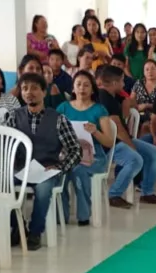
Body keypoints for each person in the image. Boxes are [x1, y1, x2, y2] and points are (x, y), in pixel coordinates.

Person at [2, 73, 80, 250]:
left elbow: (76, 150)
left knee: (43, 190)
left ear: (44, 92)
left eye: (35, 88)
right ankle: (18, 226)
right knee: (0, 185)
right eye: (25, 88)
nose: (30, 92)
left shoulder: (58, 119)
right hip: (21, 169)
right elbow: (5, 145)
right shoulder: (14, 117)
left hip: (47, 170)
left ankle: (36, 231)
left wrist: (60, 167)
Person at [97, 65, 156, 209]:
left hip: (120, 139)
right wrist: (132, 146)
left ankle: (147, 192)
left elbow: (124, 117)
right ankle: (114, 194)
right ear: (115, 83)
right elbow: (118, 129)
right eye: (122, 81)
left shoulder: (114, 97)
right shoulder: (104, 98)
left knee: (153, 152)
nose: (124, 84)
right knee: (135, 160)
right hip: (110, 143)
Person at [57, 71, 111, 227]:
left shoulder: (99, 110)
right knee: (60, 170)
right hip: (68, 154)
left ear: (92, 89)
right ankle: (62, 214)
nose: (82, 88)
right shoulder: (63, 108)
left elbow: (108, 142)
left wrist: (95, 131)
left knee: (78, 169)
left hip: (94, 156)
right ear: (73, 88)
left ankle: (83, 215)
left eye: (86, 85)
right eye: (78, 84)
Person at [132, 59, 156, 132]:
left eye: (153, 68)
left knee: (146, 126)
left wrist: (147, 105)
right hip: (138, 114)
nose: (150, 71)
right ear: (143, 72)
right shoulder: (138, 83)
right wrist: (135, 106)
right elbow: (131, 99)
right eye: (147, 69)